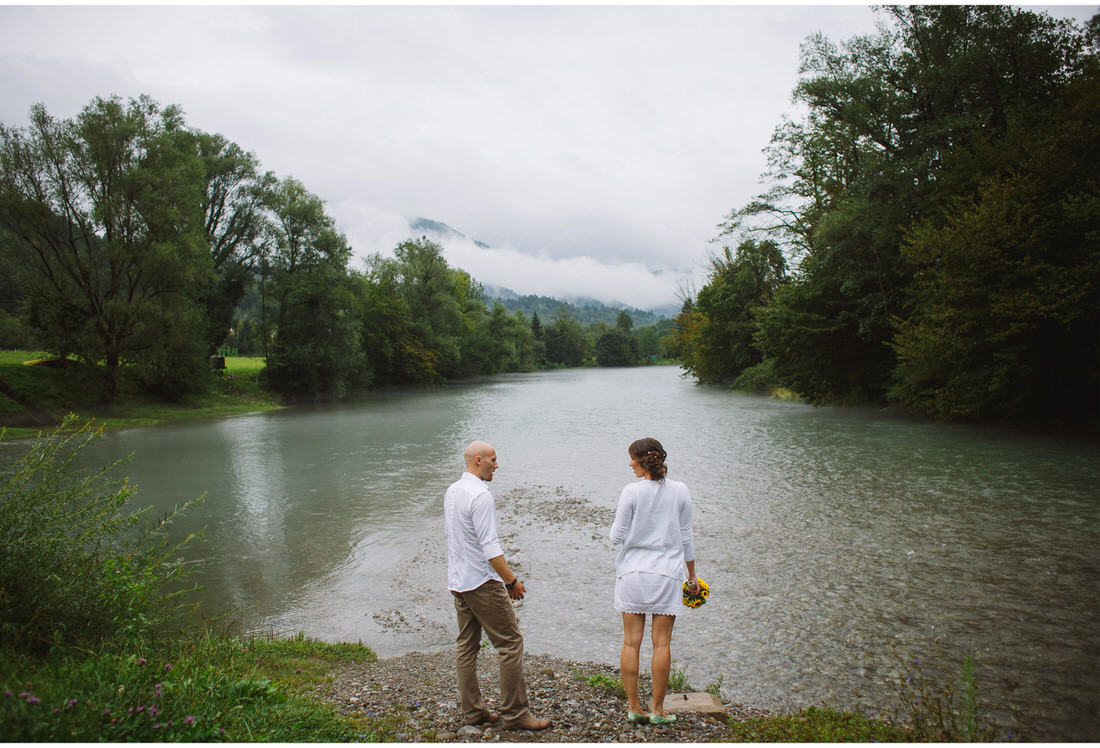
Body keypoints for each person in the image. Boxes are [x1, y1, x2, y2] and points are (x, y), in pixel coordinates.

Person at [443, 440, 551, 732]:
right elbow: (490, 547)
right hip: (481, 582)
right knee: (511, 643)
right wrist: (511, 581)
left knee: (467, 645)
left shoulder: (453, 490)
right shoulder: (480, 495)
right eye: (493, 459)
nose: (497, 465)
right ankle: (516, 714)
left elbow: (454, 539)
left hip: (459, 580)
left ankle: (473, 712)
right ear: (478, 460)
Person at [609, 437, 698, 726]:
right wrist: (692, 576)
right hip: (667, 575)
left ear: (642, 461)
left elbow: (615, 537)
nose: (629, 464)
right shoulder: (680, 490)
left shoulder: (631, 491)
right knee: (661, 644)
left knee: (631, 642)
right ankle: (658, 709)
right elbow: (686, 537)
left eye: (631, 459)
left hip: (633, 574)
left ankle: (634, 706)